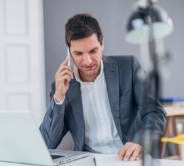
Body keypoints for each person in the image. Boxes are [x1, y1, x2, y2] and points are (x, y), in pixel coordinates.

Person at [40, 13, 166, 161]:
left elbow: (155, 112)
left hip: (130, 158)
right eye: (78, 53)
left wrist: (140, 142)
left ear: (102, 44)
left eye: (93, 51)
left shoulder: (128, 67)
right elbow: (47, 143)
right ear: (69, 51)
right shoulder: (62, 86)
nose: (87, 61)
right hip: (90, 160)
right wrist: (59, 97)